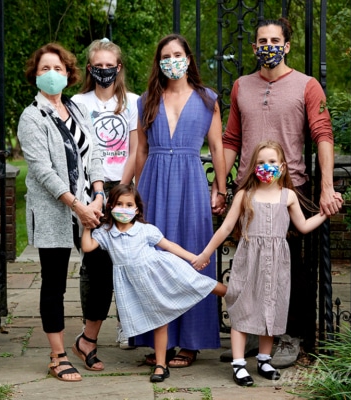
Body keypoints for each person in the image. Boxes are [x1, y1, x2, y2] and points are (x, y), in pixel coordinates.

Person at [219, 17, 343, 362]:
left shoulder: (307, 85)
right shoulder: (241, 86)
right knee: (250, 264)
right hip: (249, 189)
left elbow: (323, 136)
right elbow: (231, 139)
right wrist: (219, 186)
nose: (268, 46)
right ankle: (254, 335)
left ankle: (292, 337)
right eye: (262, 41)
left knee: (292, 269)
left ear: (287, 46)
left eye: (276, 40)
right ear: (254, 47)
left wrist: (327, 188)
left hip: (292, 188)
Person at [193, 141, 342, 385]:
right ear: (253, 168)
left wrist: (325, 213)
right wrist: (206, 253)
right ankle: (239, 365)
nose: (266, 167)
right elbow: (227, 227)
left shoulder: (289, 196)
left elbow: (303, 226)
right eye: (261, 162)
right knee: (242, 307)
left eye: (272, 162)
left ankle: (264, 359)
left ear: (282, 167)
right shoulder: (245, 195)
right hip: (249, 260)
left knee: (271, 309)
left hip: (277, 262)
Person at [134, 33, 227, 368]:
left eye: (177, 54)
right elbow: (141, 150)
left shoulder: (207, 99)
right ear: (159, 63)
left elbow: (217, 147)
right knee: (155, 260)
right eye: (165, 56)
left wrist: (220, 186)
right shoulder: (146, 99)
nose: (172, 60)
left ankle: (191, 341)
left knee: (192, 255)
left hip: (191, 182)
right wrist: (134, 194)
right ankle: (160, 340)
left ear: (188, 58)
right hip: (154, 183)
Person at [17, 43, 105, 382]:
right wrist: (77, 206)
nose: (52, 74)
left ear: (68, 74)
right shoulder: (31, 117)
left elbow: (94, 152)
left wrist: (97, 194)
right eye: (44, 69)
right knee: (53, 282)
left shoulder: (76, 109)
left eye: (58, 68)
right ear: (35, 76)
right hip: (57, 210)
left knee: (101, 268)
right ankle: (57, 355)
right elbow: (42, 170)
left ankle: (87, 339)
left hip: (88, 204)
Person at [81, 184, 227, 382]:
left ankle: (233, 294)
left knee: (200, 283)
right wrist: (87, 227)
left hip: (163, 273)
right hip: (138, 286)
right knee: (159, 322)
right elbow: (88, 247)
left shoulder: (145, 230)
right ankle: (160, 366)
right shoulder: (107, 233)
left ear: (137, 209)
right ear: (110, 207)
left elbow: (168, 245)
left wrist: (194, 258)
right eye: (119, 204)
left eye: (129, 204)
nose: (124, 208)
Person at [70, 38, 139, 370]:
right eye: (98, 65)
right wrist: (96, 192)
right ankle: (89, 337)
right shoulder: (76, 103)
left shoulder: (135, 103)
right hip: (89, 191)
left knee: (130, 260)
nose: (104, 71)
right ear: (89, 68)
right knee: (96, 264)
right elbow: (76, 152)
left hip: (125, 190)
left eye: (109, 65)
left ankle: (132, 327)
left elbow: (138, 150)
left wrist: (123, 190)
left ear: (119, 67)